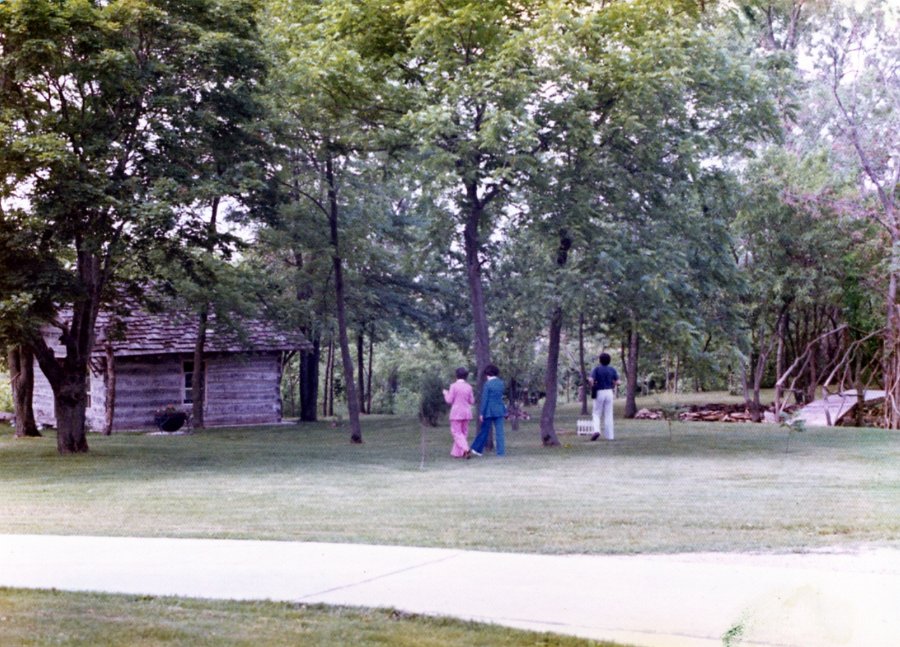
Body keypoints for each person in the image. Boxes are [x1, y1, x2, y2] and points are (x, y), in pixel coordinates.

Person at [469, 364, 507, 456]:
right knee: (500, 432)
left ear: (487, 374)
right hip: (499, 409)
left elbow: (485, 399)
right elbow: (500, 397)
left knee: (485, 430)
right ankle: (501, 452)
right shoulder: (501, 383)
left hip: (489, 410)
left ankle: (477, 448)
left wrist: (481, 413)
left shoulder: (487, 384)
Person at [443, 367, 475, 459]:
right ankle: (458, 453)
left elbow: (449, 400)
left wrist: (446, 393)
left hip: (456, 412)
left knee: (456, 433)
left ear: (456, 375)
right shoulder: (469, 387)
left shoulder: (453, 386)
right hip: (466, 412)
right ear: (466, 376)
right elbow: (472, 401)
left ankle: (466, 449)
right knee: (463, 433)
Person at [589, 352, 620, 441]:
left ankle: (596, 430)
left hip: (599, 392)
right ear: (609, 360)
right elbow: (618, 382)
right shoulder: (612, 370)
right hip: (609, 392)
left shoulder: (596, 369)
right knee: (608, 414)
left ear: (600, 360)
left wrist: (592, 385)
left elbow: (591, 380)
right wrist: (613, 384)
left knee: (596, 413)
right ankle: (610, 436)